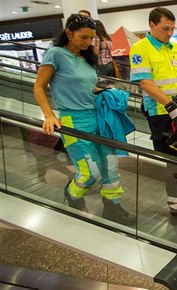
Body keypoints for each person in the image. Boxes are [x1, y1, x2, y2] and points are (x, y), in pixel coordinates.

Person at [33, 14, 134, 225]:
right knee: (91, 171)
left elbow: (85, 87)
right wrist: (49, 115)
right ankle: (72, 193)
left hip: (97, 117)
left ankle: (113, 206)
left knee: (110, 165)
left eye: (91, 38)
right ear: (69, 33)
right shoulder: (56, 54)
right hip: (73, 120)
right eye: (84, 37)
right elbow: (39, 87)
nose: (89, 43)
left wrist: (105, 92)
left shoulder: (86, 58)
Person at [129, 7, 177, 223]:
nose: (169, 33)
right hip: (161, 113)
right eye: (165, 28)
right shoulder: (141, 49)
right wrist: (170, 105)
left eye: (172, 29)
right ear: (152, 25)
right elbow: (145, 82)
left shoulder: (175, 48)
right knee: (174, 160)